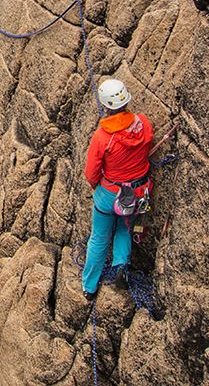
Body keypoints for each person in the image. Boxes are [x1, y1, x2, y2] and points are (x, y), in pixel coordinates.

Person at [82, 79, 154, 301]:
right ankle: (121, 264)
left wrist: (99, 188)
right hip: (137, 192)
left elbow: (91, 172)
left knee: (99, 237)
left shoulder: (103, 137)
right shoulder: (143, 123)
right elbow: (148, 143)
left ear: (105, 105)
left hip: (109, 193)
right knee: (124, 228)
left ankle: (90, 287)